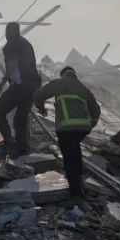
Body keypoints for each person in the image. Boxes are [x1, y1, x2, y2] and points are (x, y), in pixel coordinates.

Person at [34, 66, 100, 202]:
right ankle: (81, 187)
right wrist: (90, 125)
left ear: (63, 74)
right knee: (75, 153)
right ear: (74, 75)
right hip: (81, 130)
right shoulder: (83, 88)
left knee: (70, 159)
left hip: (66, 128)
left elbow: (39, 95)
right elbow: (96, 110)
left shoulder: (59, 82)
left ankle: (75, 195)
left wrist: (40, 106)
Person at [0, 22, 41, 159]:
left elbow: (12, 63)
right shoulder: (26, 43)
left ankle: (9, 145)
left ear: (8, 32)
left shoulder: (11, 45)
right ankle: (22, 149)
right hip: (33, 85)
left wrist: (3, 81)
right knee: (20, 118)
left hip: (21, 86)